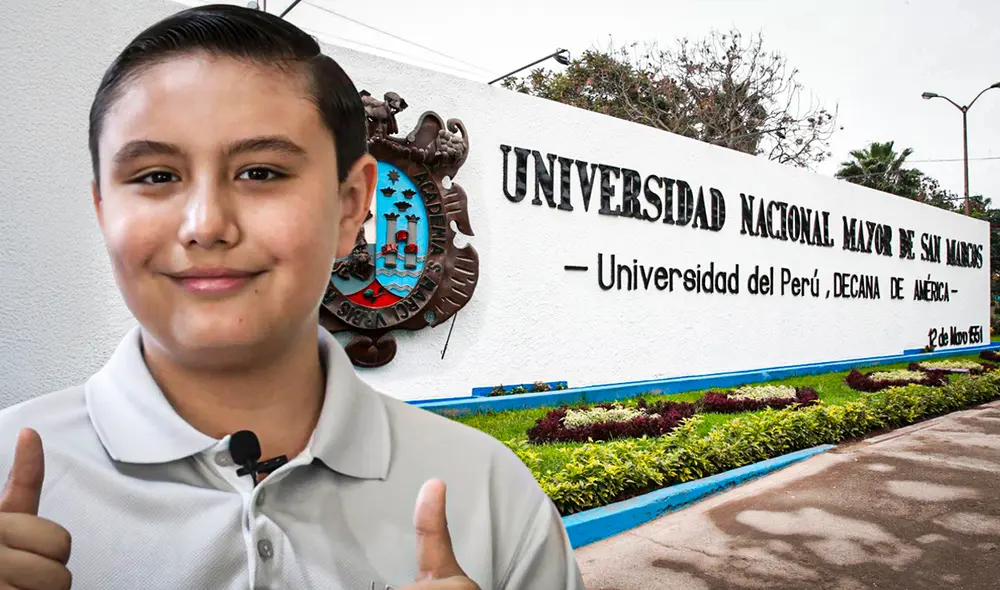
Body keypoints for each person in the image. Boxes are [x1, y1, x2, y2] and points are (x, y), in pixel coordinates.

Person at [0, 5, 584, 589]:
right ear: (103, 210)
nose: (207, 225)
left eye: (260, 173)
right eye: (155, 176)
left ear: (352, 205)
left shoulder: (492, 500)